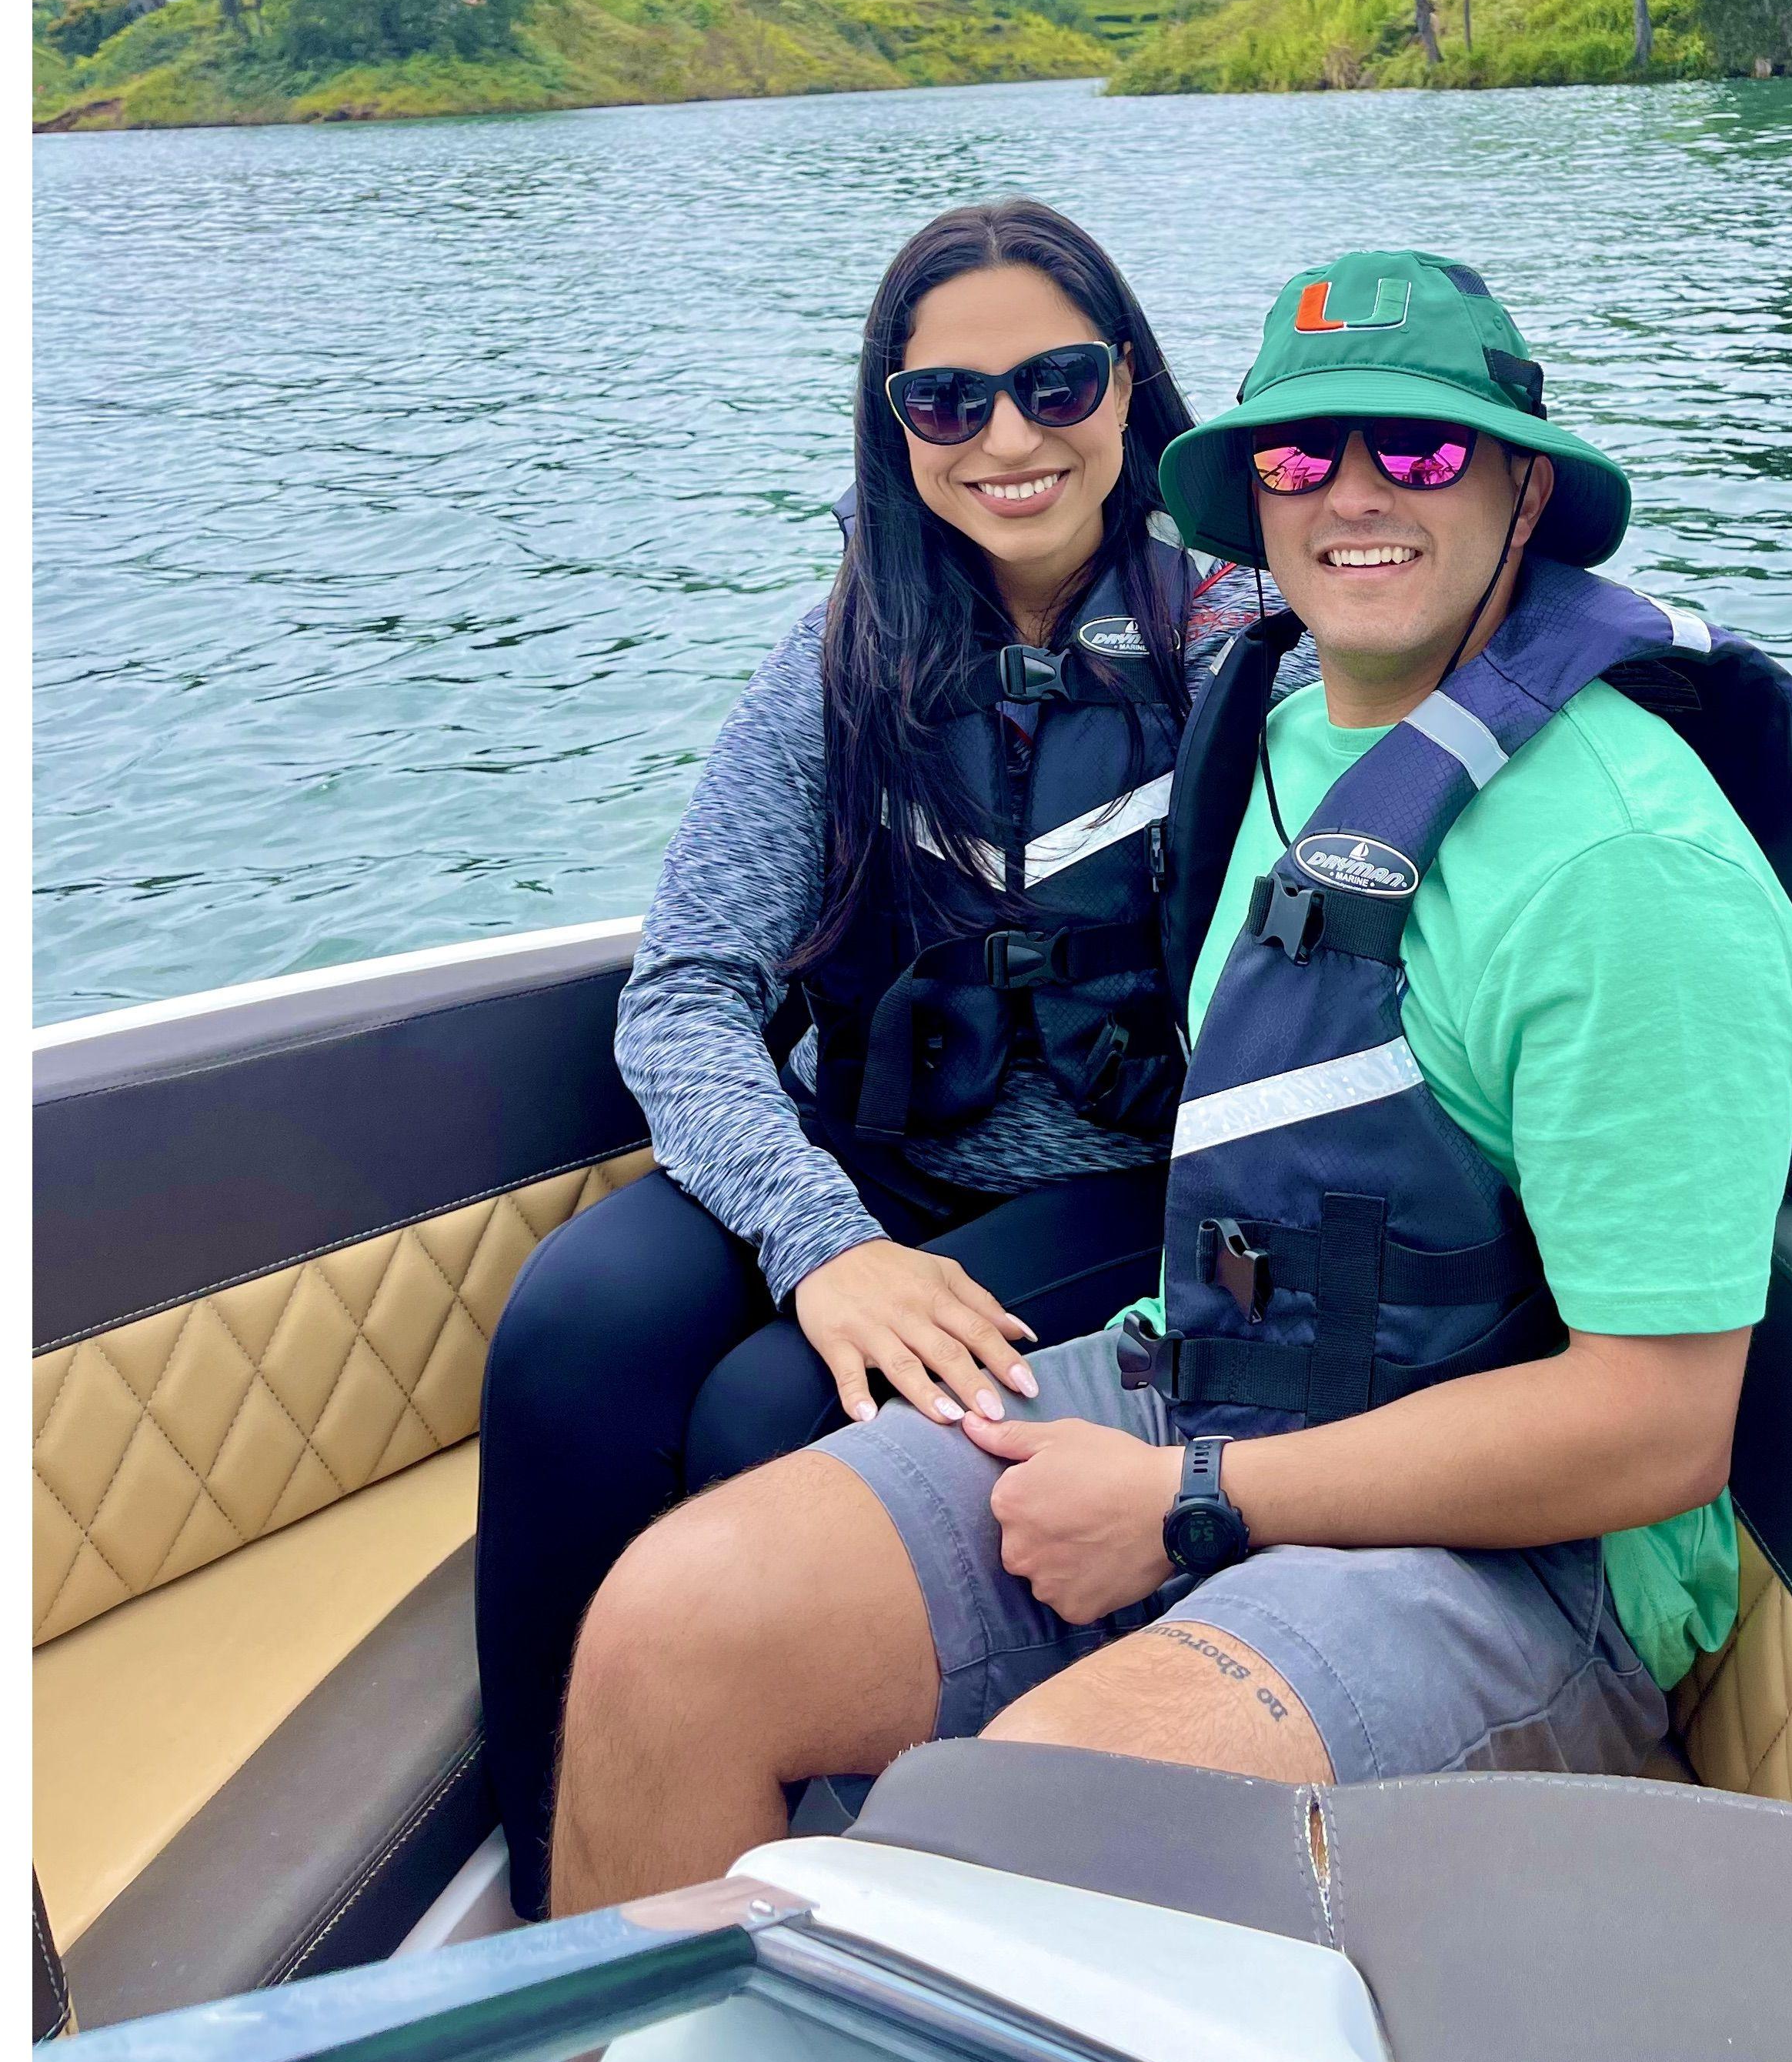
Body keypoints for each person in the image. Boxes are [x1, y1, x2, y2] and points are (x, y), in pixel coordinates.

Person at [546, 246, 1792, 1911]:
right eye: (1301, 457)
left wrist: (1190, 1506)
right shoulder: (1274, 729)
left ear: (1526, 492)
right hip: (1220, 1371)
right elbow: (696, 987)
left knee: (996, 1835)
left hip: (1521, 1559)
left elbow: (1656, 1430)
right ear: (1249, 499)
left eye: (1424, 454)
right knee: (669, 1630)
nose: (1354, 497)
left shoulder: (1631, 867)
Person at [475, 199, 1286, 1921]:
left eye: (1057, 385)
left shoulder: (1245, 654)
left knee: (781, 1409)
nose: (1007, 438)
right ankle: (564, 1898)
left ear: (1131, 389)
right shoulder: (841, 661)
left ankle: (806, 1901)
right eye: (948, 402)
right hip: (877, 1155)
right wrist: (823, 1237)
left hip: (1116, 1189)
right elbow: (685, 990)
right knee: (574, 1332)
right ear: (893, 422)